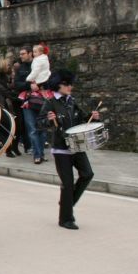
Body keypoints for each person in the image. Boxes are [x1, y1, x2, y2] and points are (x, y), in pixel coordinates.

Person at [37, 69, 100, 230]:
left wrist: (92, 117)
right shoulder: (50, 103)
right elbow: (40, 123)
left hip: (77, 146)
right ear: (58, 85)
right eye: (67, 84)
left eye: (71, 84)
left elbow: (82, 118)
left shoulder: (72, 101)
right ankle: (66, 219)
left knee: (87, 174)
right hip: (61, 148)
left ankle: (67, 202)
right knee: (67, 183)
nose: (70, 87)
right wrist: (49, 120)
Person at [22, 44, 52, 164]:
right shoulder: (21, 68)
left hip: (41, 100)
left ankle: (40, 154)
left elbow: (45, 78)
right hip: (30, 101)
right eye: (32, 52)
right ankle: (37, 154)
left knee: (42, 129)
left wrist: (36, 84)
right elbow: (18, 84)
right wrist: (29, 84)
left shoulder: (39, 62)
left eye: (35, 52)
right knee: (34, 130)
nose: (33, 54)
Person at [0, 56, 22, 157]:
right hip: (5, 105)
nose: (9, 66)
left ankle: (15, 147)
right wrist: (17, 96)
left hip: (12, 104)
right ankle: (8, 150)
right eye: (7, 65)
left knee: (18, 127)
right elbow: (5, 92)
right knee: (8, 128)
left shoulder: (8, 77)